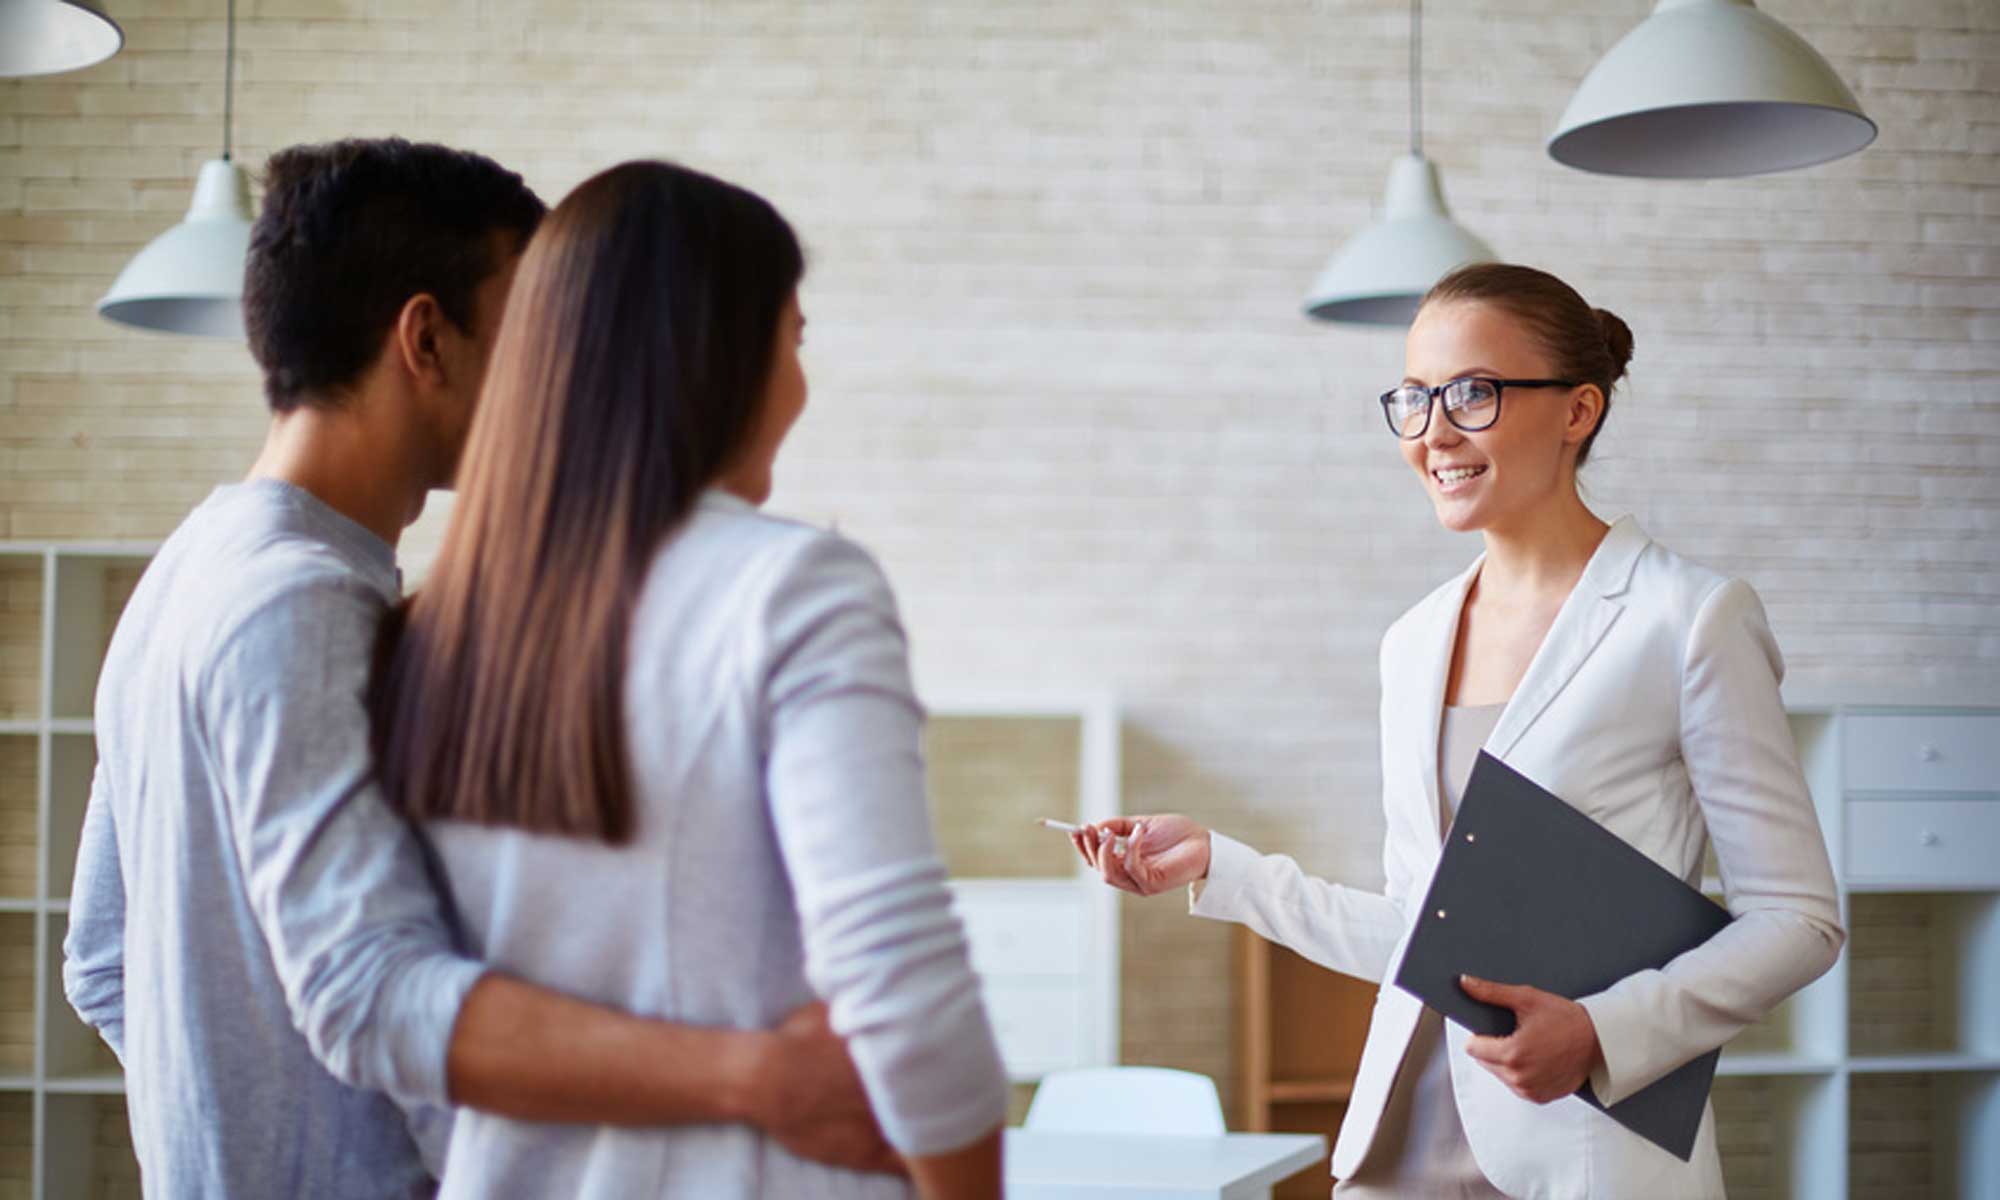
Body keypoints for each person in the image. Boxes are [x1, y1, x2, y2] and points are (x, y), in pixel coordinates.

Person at [63, 138, 897, 1198]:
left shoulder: (189, 568)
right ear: (428, 340)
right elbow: (368, 991)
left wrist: (232, 1140)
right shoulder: (301, 603)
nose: (561, 380)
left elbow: (100, 960)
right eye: (534, 337)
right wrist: (758, 1079)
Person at [1070, 263, 1845, 1199]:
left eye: (1473, 394)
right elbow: (1419, 930)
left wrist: (1605, 1033)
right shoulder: (1414, 641)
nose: (1433, 432)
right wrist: (1215, 866)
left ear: (1578, 410)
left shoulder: (1687, 619)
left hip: (1581, 1154)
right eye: (1414, 397)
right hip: (1398, 1151)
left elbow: (1797, 919)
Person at [366, 158, 1007, 1199]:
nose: (799, 383)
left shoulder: (429, 628)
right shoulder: (792, 586)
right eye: (793, 341)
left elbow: (403, 1006)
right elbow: (898, 980)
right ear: (716, 353)